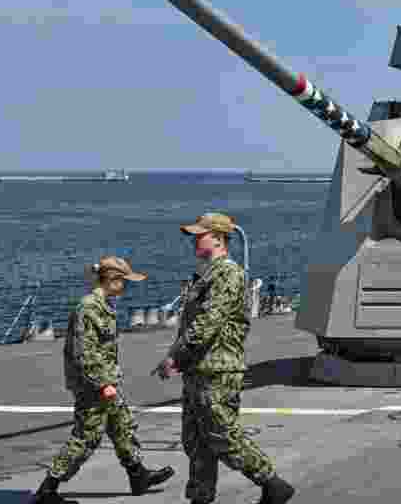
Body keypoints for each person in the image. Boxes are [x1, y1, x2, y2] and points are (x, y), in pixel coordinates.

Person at [154, 213, 294, 504]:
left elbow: (208, 322)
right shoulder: (208, 274)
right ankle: (200, 497)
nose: (195, 240)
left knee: (221, 435)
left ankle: (272, 483)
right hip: (200, 368)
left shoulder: (228, 274)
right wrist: (179, 358)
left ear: (218, 238)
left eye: (200, 235)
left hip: (218, 369)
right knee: (196, 441)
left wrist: (175, 356)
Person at [33, 257, 175, 503]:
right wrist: (103, 384)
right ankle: (48, 488)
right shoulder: (89, 308)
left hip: (105, 380)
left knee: (122, 425)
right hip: (93, 384)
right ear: (112, 280)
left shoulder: (103, 305)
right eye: (124, 282)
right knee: (87, 436)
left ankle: (138, 474)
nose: (126, 288)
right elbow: (84, 351)